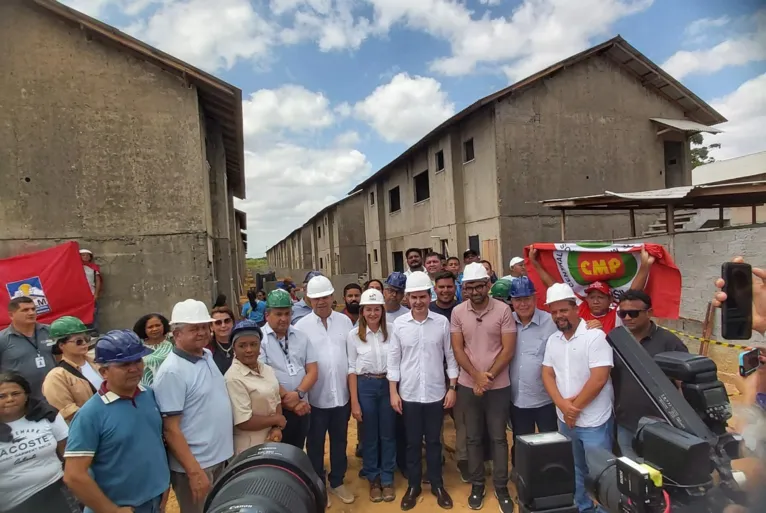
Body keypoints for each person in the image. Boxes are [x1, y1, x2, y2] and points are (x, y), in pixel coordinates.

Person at [63, 330, 169, 513]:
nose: (134, 368)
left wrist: (162, 485)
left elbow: (154, 444)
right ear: (104, 371)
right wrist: (110, 510)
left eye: (138, 361)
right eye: (124, 364)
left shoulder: (149, 395)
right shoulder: (90, 415)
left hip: (155, 502)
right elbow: (74, 476)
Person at [153, 299, 234, 513]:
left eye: (204, 327)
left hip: (219, 458)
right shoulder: (172, 372)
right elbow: (171, 429)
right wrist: (194, 471)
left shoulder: (206, 355)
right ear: (176, 334)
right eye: (194, 328)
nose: (202, 332)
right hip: (198, 465)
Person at [388, 271, 458, 511]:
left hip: (436, 393)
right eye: (413, 297)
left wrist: (452, 388)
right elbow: (394, 361)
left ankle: (438, 485)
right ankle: (414, 486)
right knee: (412, 443)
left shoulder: (441, 323)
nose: (418, 301)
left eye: (422, 296)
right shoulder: (399, 324)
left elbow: (450, 356)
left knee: (435, 442)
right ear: (407, 298)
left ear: (430, 297)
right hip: (408, 394)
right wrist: (393, 393)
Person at [541, 283, 614, 513]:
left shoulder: (595, 337)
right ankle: (583, 508)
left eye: (563, 310)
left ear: (575, 308)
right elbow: (547, 374)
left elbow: (599, 378)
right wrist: (563, 406)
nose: (558, 316)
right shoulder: (554, 340)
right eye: (553, 312)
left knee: (601, 472)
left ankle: (603, 510)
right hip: (566, 420)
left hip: (594, 420)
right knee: (574, 469)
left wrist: (573, 408)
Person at [450, 263, 516, 512]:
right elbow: (457, 348)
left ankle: (501, 487)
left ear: (488, 285)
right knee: (473, 438)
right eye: (470, 286)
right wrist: (476, 377)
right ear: (464, 288)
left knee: (499, 438)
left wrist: (486, 378)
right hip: (469, 385)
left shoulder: (503, 310)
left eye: (480, 285)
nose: (475, 291)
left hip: (498, 386)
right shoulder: (458, 312)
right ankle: (477, 484)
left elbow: (508, 349)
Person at [296, 276, 355, 505]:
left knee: (340, 441)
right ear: (309, 299)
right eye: (316, 298)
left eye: (325, 297)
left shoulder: (345, 323)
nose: (321, 302)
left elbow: (351, 359)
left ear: (333, 297)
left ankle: (337, 481)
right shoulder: (301, 327)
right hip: (315, 399)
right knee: (315, 444)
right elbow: (301, 363)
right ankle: (318, 486)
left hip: (341, 396)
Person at [612, 290, 689, 459]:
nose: (627, 318)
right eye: (622, 313)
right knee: (632, 476)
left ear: (649, 312)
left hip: (661, 426)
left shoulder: (669, 342)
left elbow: (684, 384)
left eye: (633, 313)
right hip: (625, 423)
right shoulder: (617, 341)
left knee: (660, 477)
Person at [0, 372, 80, 513]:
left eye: (16, 393)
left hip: (57, 491)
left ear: (26, 395)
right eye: (2, 396)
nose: (10, 399)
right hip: (13, 504)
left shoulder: (46, 415)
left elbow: (68, 455)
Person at [530, 247, 654, 333]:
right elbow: (555, 289)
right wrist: (535, 264)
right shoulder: (579, 308)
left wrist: (645, 266)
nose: (595, 301)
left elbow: (632, 295)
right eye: (592, 297)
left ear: (610, 299)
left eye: (600, 297)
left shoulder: (618, 315)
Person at [348, 289, 397, 503]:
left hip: (388, 384)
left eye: (377, 309)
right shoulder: (353, 335)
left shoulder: (393, 331)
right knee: (369, 435)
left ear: (382, 311)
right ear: (362, 311)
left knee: (387, 433)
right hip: (365, 385)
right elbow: (351, 368)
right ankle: (373, 477)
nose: (373, 313)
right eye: (369, 309)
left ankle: (387, 478)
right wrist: (354, 402)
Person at [507, 277, 558, 472]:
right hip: (517, 398)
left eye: (527, 298)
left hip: (546, 398)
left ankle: (550, 475)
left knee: (550, 441)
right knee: (521, 441)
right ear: (511, 301)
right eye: (518, 299)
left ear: (535, 298)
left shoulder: (550, 322)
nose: (523, 304)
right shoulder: (507, 322)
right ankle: (522, 477)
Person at [260, 289, 316, 449]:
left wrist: (298, 394)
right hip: (276, 411)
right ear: (267, 315)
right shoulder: (259, 339)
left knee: (297, 451)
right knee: (276, 455)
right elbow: (264, 376)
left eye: (287, 313)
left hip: (301, 407)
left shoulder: (301, 336)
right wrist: (290, 402)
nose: (284, 319)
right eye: (278, 314)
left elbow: (312, 370)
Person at [224, 321, 285, 455]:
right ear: (234, 348)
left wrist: (276, 427)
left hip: (271, 440)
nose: (249, 350)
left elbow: (276, 400)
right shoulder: (233, 378)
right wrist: (277, 420)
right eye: (242, 345)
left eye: (253, 344)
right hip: (249, 447)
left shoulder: (266, 369)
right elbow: (244, 421)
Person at [42, 316, 102, 423]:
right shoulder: (56, 377)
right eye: (78, 341)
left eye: (86, 339)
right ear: (61, 345)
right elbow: (68, 412)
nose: (84, 343)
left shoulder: (97, 362)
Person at [0, 297, 55, 400]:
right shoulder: (3, 339)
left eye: (33, 309)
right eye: (25, 310)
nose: (31, 313)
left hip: (54, 393)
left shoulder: (49, 331)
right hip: (23, 400)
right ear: (11, 315)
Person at [132, 313, 174, 386]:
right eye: (150, 327)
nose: (155, 329)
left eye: (158, 325)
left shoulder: (173, 341)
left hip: (170, 386)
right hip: (146, 388)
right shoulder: (138, 346)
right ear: (144, 329)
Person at [79, 249, 102, 333]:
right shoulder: (76, 267)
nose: (85, 257)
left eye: (87, 255)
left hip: (91, 294)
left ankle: (93, 331)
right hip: (79, 295)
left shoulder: (93, 268)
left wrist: (96, 294)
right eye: (83, 255)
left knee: (93, 313)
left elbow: (98, 281)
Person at [208, 305, 236, 374]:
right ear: (211, 327)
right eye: (218, 323)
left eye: (227, 321)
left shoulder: (242, 343)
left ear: (233, 323)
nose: (223, 325)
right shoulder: (206, 349)